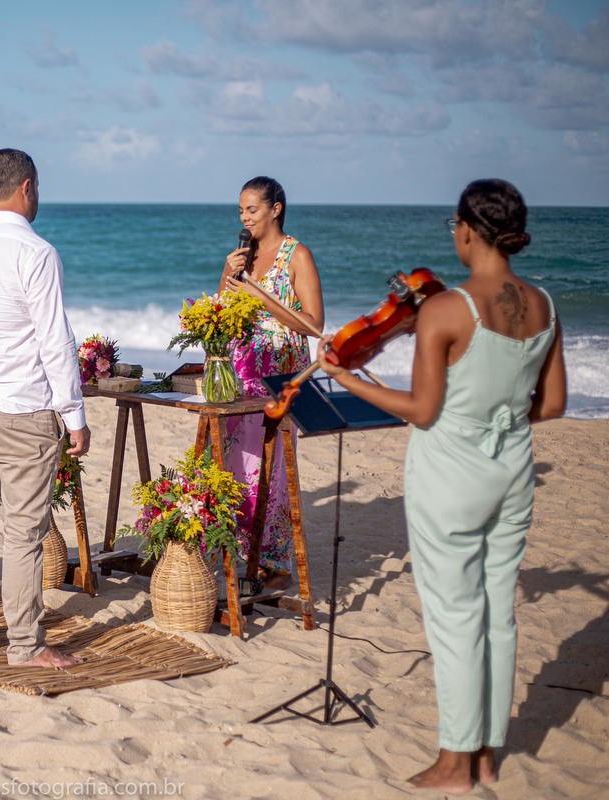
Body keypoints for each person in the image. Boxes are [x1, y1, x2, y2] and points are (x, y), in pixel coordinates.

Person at [316, 179, 566, 794]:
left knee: (455, 618)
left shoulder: (447, 308)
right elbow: (553, 403)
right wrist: (496, 421)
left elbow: (423, 410)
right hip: (512, 470)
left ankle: (455, 763)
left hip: (450, 471)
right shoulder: (543, 303)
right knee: (496, 614)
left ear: (466, 229)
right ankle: (486, 756)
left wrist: (348, 381)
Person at [0, 148, 89, 669]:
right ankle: (26, 645)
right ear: (27, 187)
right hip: (22, 411)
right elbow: (56, 340)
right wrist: (74, 415)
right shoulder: (37, 252)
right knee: (24, 533)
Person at [218, 176, 324, 591]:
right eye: (241, 210)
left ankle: (274, 561)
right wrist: (228, 276)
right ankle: (237, 550)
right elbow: (221, 310)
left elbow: (315, 325)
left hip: (280, 377)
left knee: (269, 466)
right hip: (240, 375)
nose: (244, 218)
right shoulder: (243, 257)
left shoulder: (297, 255)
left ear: (275, 208)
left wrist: (260, 296)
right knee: (234, 463)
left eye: (252, 210)